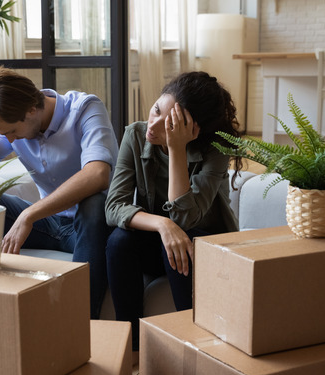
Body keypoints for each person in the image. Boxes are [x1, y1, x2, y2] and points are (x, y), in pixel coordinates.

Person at [0, 65, 119, 319]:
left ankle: (83, 324)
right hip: (50, 224)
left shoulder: (85, 109)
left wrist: (29, 214)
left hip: (92, 228)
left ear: (31, 109)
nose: (8, 140)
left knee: (93, 204)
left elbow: (97, 174)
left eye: (11, 132)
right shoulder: (11, 121)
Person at [104, 71, 243, 351]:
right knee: (119, 241)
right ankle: (131, 348)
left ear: (194, 130)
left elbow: (184, 218)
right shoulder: (135, 134)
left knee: (183, 241)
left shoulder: (215, 151)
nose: (152, 126)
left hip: (203, 246)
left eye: (168, 124)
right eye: (156, 110)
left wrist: (175, 148)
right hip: (160, 241)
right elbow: (113, 206)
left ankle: (193, 347)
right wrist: (163, 226)